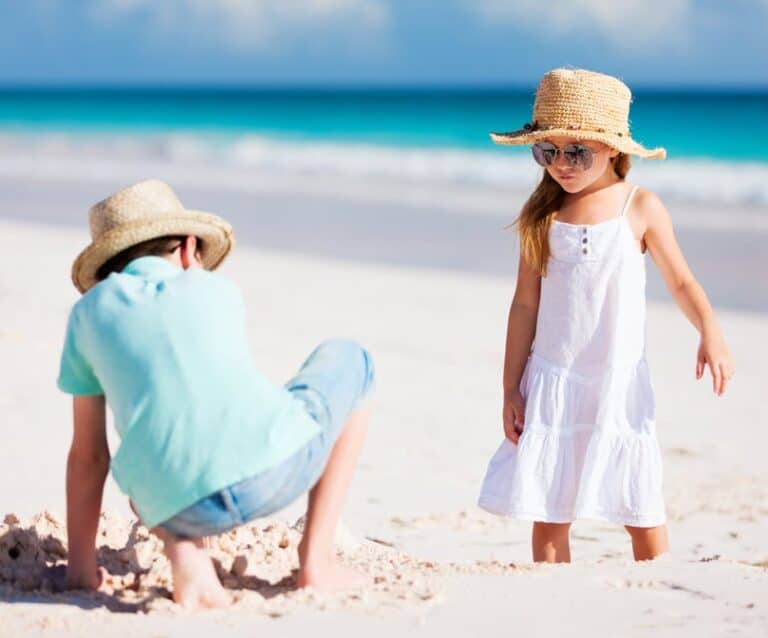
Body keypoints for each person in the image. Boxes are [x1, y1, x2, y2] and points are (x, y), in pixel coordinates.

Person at [58, 179, 374, 607]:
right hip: (270, 478)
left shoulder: (87, 317)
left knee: (157, 457)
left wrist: (80, 569)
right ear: (189, 250)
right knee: (353, 358)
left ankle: (187, 555)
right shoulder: (217, 290)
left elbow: (89, 456)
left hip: (171, 507)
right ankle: (316, 559)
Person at [478, 69, 734, 563]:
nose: (561, 164)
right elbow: (524, 303)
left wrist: (711, 331)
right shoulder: (542, 216)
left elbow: (681, 281)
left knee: (639, 503)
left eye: (578, 152)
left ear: (613, 149)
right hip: (553, 379)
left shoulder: (640, 207)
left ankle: (657, 585)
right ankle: (552, 592)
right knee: (550, 504)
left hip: (616, 380)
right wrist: (511, 386)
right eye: (547, 151)